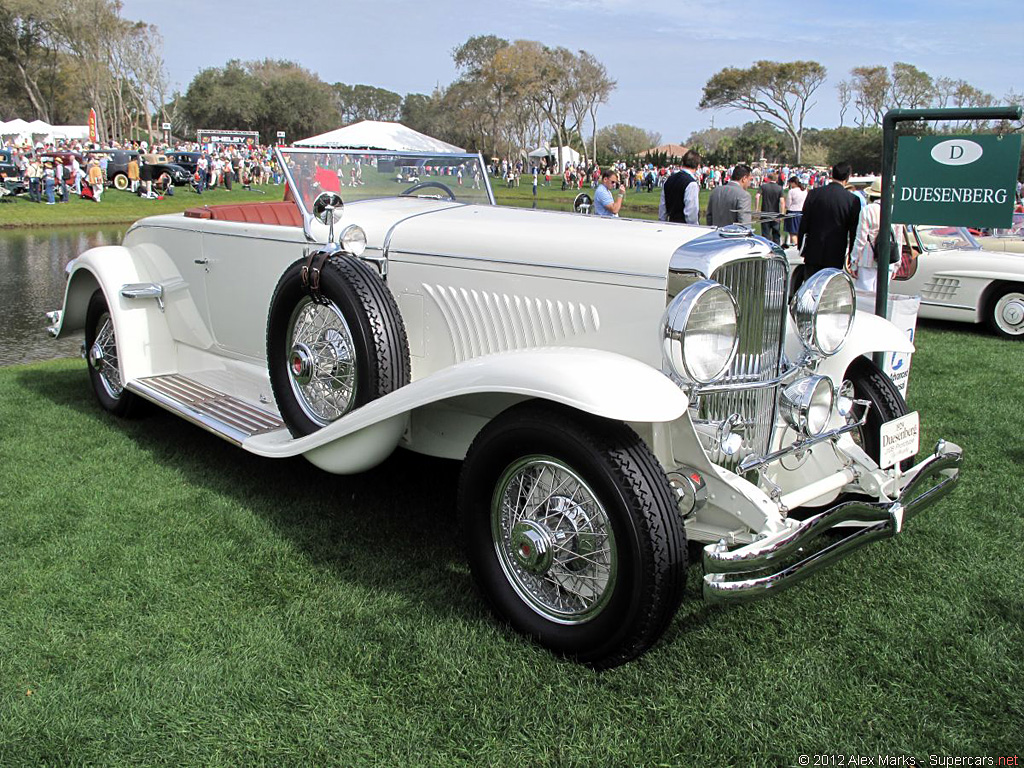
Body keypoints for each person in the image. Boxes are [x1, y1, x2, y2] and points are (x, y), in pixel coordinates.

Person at [797, 162, 860, 282]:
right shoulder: (852, 200)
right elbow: (853, 231)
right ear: (848, 177)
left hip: (813, 249)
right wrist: (851, 254)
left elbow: (804, 222)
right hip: (836, 252)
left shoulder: (814, 194)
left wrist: (801, 246)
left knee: (811, 287)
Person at [850, 179, 905, 293]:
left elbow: (861, 239)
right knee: (881, 296)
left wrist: (854, 261)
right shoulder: (895, 210)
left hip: (867, 259)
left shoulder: (867, 210)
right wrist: (896, 264)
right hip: (888, 260)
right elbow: (898, 240)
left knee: (864, 297)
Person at [659, 150, 702, 224]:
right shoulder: (691, 184)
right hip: (684, 227)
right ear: (698, 166)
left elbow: (662, 208)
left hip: (671, 224)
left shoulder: (669, 180)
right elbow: (691, 213)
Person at [755, 171, 785, 244]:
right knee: (776, 234)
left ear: (768, 178)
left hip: (765, 213)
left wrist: (756, 209)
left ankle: (766, 250)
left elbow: (757, 197)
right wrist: (782, 213)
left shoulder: (763, 187)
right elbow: (782, 201)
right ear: (776, 179)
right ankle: (776, 250)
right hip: (775, 214)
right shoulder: (779, 188)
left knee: (765, 234)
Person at [783, 176, 807, 246]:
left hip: (792, 212)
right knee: (799, 232)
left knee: (792, 232)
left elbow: (788, 204)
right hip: (802, 213)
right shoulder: (804, 191)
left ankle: (794, 247)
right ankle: (799, 246)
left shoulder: (791, 191)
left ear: (793, 183)